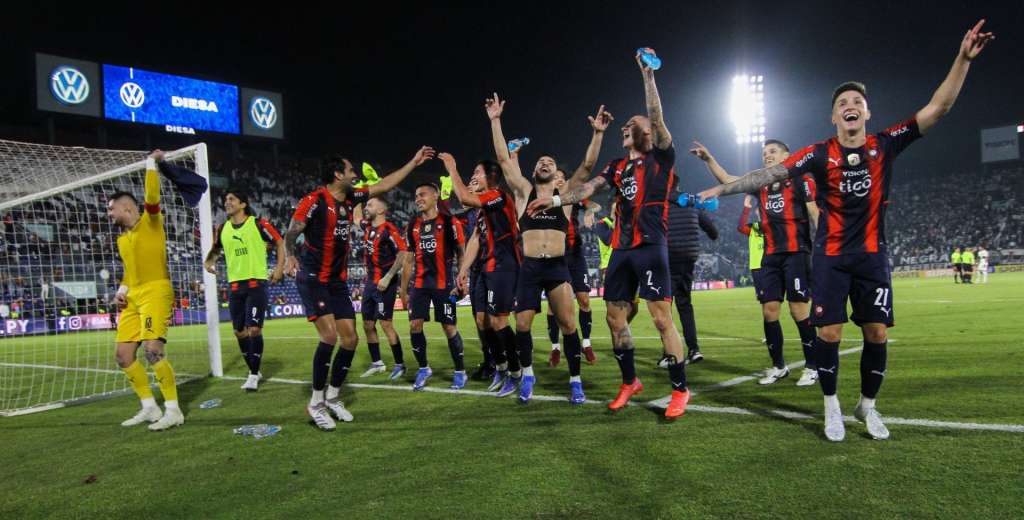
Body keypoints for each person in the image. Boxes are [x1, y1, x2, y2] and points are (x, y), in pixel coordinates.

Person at [697, 20, 993, 440]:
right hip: (831, 258)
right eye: (842, 103)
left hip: (873, 256)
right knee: (829, 333)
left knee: (876, 332)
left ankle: (867, 408)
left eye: (857, 101)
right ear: (834, 115)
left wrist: (962, 59)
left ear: (866, 112)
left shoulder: (885, 144)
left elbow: (938, 108)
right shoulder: (818, 154)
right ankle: (831, 407)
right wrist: (721, 188)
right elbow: (768, 175)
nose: (850, 105)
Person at [527, 49, 691, 419]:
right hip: (621, 248)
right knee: (615, 319)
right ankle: (629, 380)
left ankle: (680, 389)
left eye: (630, 125)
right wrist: (553, 200)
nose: (624, 128)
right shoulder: (618, 166)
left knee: (662, 318)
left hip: (651, 245)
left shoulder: (661, 156)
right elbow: (585, 190)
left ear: (647, 132)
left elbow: (656, 117)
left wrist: (648, 77)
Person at [284, 146, 435, 431]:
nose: (355, 175)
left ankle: (333, 396)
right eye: (350, 170)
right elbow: (292, 231)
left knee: (351, 340)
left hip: (337, 282)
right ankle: (315, 403)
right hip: (314, 277)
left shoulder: (352, 197)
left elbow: (384, 184)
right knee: (329, 337)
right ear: (338, 174)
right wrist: (290, 255)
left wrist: (413, 162)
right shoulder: (314, 200)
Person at [478, 96, 611, 404]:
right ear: (534, 170)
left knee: (567, 324)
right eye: (540, 161)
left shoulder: (564, 196)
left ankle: (575, 381)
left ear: (555, 172)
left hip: (557, 268)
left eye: (550, 162)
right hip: (529, 268)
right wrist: (495, 120)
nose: (545, 163)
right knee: (522, 324)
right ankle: (527, 375)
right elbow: (503, 158)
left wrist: (598, 134)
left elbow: (587, 165)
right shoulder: (523, 192)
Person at [693, 139, 820, 386]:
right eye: (764, 153)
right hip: (770, 256)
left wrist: (825, 249)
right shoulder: (760, 183)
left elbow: (814, 212)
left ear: (787, 155)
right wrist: (709, 159)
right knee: (769, 311)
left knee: (798, 310)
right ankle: (778, 366)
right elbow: (729, 180)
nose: (767, 156)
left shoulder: (801, 179)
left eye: (773, 151)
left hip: (796, 251)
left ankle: (812, 366)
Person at [108, 150, 183, 431]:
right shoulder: (122, 240)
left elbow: (152, 197)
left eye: (111, 208)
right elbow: (129, 270)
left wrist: (151, 164)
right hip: (133, 296)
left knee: (153, 351)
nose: (109, 213)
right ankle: (149, 407)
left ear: (127, 208)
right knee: (123, 355)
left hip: (156, 291)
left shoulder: (151, 223)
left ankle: (173, 410)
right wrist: (122, 290)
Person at [204, 189, 285, 391]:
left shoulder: (258, 224)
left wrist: (279, 268)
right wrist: (208, 262)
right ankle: (254, 369)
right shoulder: (222, 228)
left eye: (232, 199)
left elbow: (279, 242)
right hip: (234, 287)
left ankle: (253, 374)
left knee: (254, 329)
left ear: (243, 204)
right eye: (225, 200)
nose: (227, 202)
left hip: (256, 284)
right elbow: (216, 248)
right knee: (239, 332)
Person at [453, 163, 522, 392]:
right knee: (483, 320)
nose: (473, 176)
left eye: (477, 172)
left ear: (491, 177)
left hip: (503, 264)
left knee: (498, 321)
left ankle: (515, 371)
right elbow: (475, 238)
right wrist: (463, 270)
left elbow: (464, 197)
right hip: (485, 266)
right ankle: (500, 367)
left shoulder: (499, 197)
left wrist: (452, 167)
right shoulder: (483, 209)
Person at [399, 182, 467, 391]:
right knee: (414, 326)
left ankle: (460, 371)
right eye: (416, 195)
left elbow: (461, 252)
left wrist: (462, 278)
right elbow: (409, 260)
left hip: (444, 285)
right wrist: (403, 290)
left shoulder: (449, 222)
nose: (418, 199)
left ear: (436, 195)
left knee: (448, 327)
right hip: (420, 285)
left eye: (423, 194)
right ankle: (423, 368)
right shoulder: (412, 225)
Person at [545, 168, 600, 367]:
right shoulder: (545, 200)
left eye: (561, 177)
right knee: (553, 305)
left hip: (576, 255)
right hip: (555, 257)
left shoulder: (574, 197)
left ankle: (586, 344)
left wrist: (590, 212)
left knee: (584, 299)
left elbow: (594, 205)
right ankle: (555, 349)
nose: (559, 179)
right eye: (555, 177)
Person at [660, 188, 718, 366]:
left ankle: (669, 354)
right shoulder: (691, 203)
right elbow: (713, 231)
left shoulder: (660, 204)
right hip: (689, 258)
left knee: (664, 308)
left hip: (669, 258)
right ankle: (694, 349)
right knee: (685, 305)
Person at [357, 196, 409, 380]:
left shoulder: (389, 229)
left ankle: (400, 365)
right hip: (370, 284)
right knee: (367, 324)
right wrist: (360, 194)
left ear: (381, 210)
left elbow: (402, 252)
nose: (366, 208)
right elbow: (357, 217)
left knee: (386, 324)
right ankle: (377, 363)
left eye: (370, 205)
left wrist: (388, 277)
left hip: (384, 284)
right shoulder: (367, 226)